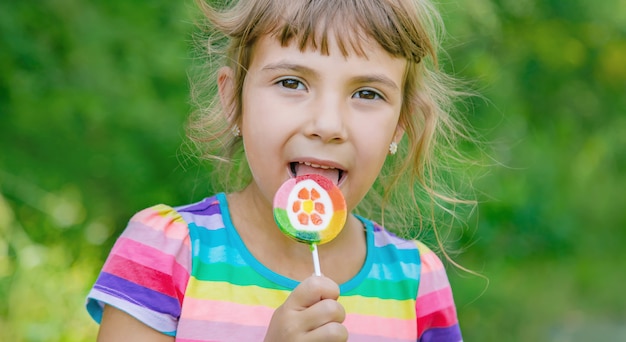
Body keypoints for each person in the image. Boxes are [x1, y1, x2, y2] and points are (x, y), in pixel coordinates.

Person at [86, 0, 477, 340]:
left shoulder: (416, 284)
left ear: (400, 125)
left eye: (367, 94)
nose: (327, 125)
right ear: (233, 98)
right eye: (292, 82)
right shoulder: (166, 255)